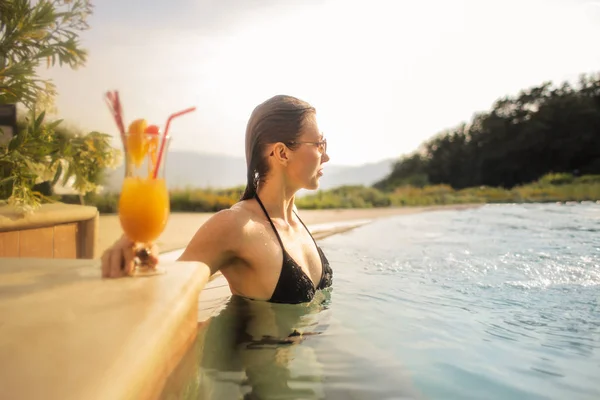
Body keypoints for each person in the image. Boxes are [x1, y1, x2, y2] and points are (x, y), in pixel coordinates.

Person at [101, 94, 333, 305]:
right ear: (282, 153)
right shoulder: (235, 226)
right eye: (319, 144)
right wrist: (137, 247)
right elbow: (168, 290)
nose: (327, 156)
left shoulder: (295, 218)